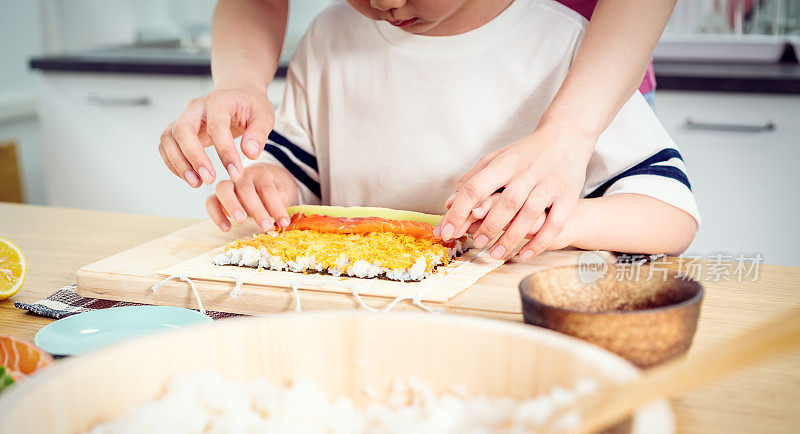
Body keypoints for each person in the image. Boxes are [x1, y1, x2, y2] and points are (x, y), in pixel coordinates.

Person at [160, 0, 696, 256]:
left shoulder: (563, 46)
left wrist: (564, 223)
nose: (385, 0)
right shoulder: (329, 39)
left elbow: (671, 217)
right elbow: (300, 177)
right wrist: (270, 187)